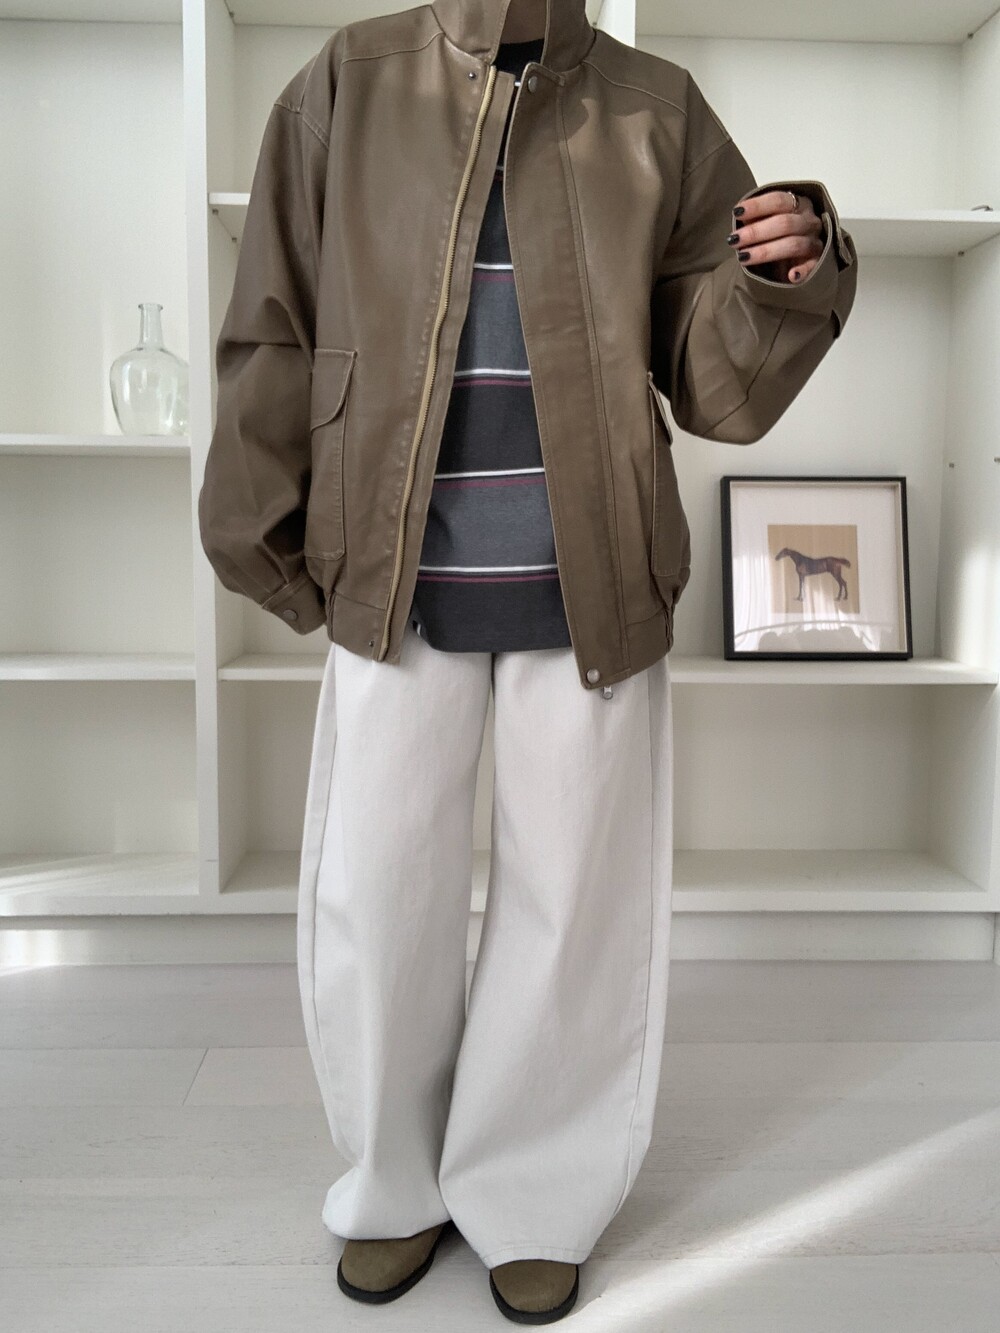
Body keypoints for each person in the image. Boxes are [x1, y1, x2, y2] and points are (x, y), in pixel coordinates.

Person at [198, 0, 858, 1322]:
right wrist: (256, 526)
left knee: (575, 908)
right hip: (394, 571)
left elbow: (710, 381)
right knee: (381, 896)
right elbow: (276, 316)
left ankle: (536, 1191)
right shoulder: (348, 80)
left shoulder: (654, 106)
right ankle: (395, 1179)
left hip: (590, 572)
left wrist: (784, 278)